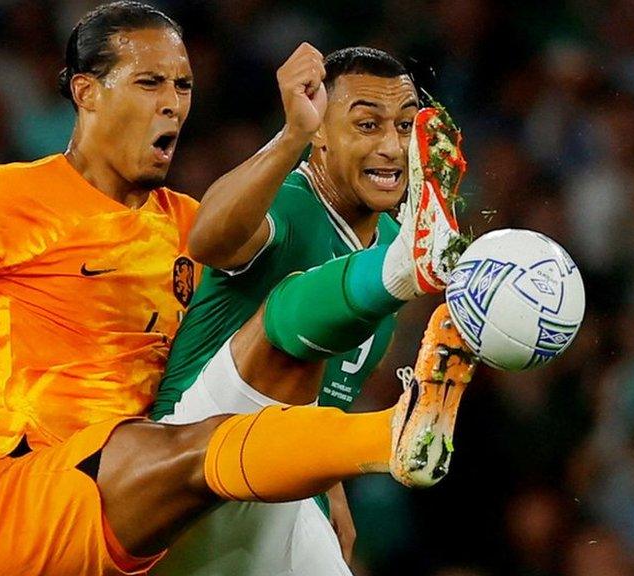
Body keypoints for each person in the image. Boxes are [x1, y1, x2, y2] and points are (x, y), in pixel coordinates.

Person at [0, 3, 474, 574]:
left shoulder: (182, 223)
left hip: (142, 506)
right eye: (151, 81)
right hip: (20, 501)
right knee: (170, 443)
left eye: (184, 85)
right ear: (88, 91)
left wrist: (316, 483)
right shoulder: (9, 199)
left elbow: (264, 366)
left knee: (222, 407)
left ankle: (368, 440)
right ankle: (389, 438)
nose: (173, 103)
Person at [150, 46, 469, 576]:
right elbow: (206, 239)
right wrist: (291, 134)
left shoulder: (390, 234)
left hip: (285, 482)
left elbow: (324, 392)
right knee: (288, 318)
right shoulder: (289, 204)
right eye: (367, 124)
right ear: (321, 131)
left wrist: (328, 481)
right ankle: (380, 436)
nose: (392, 146)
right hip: (195, 454)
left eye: (406, 125)